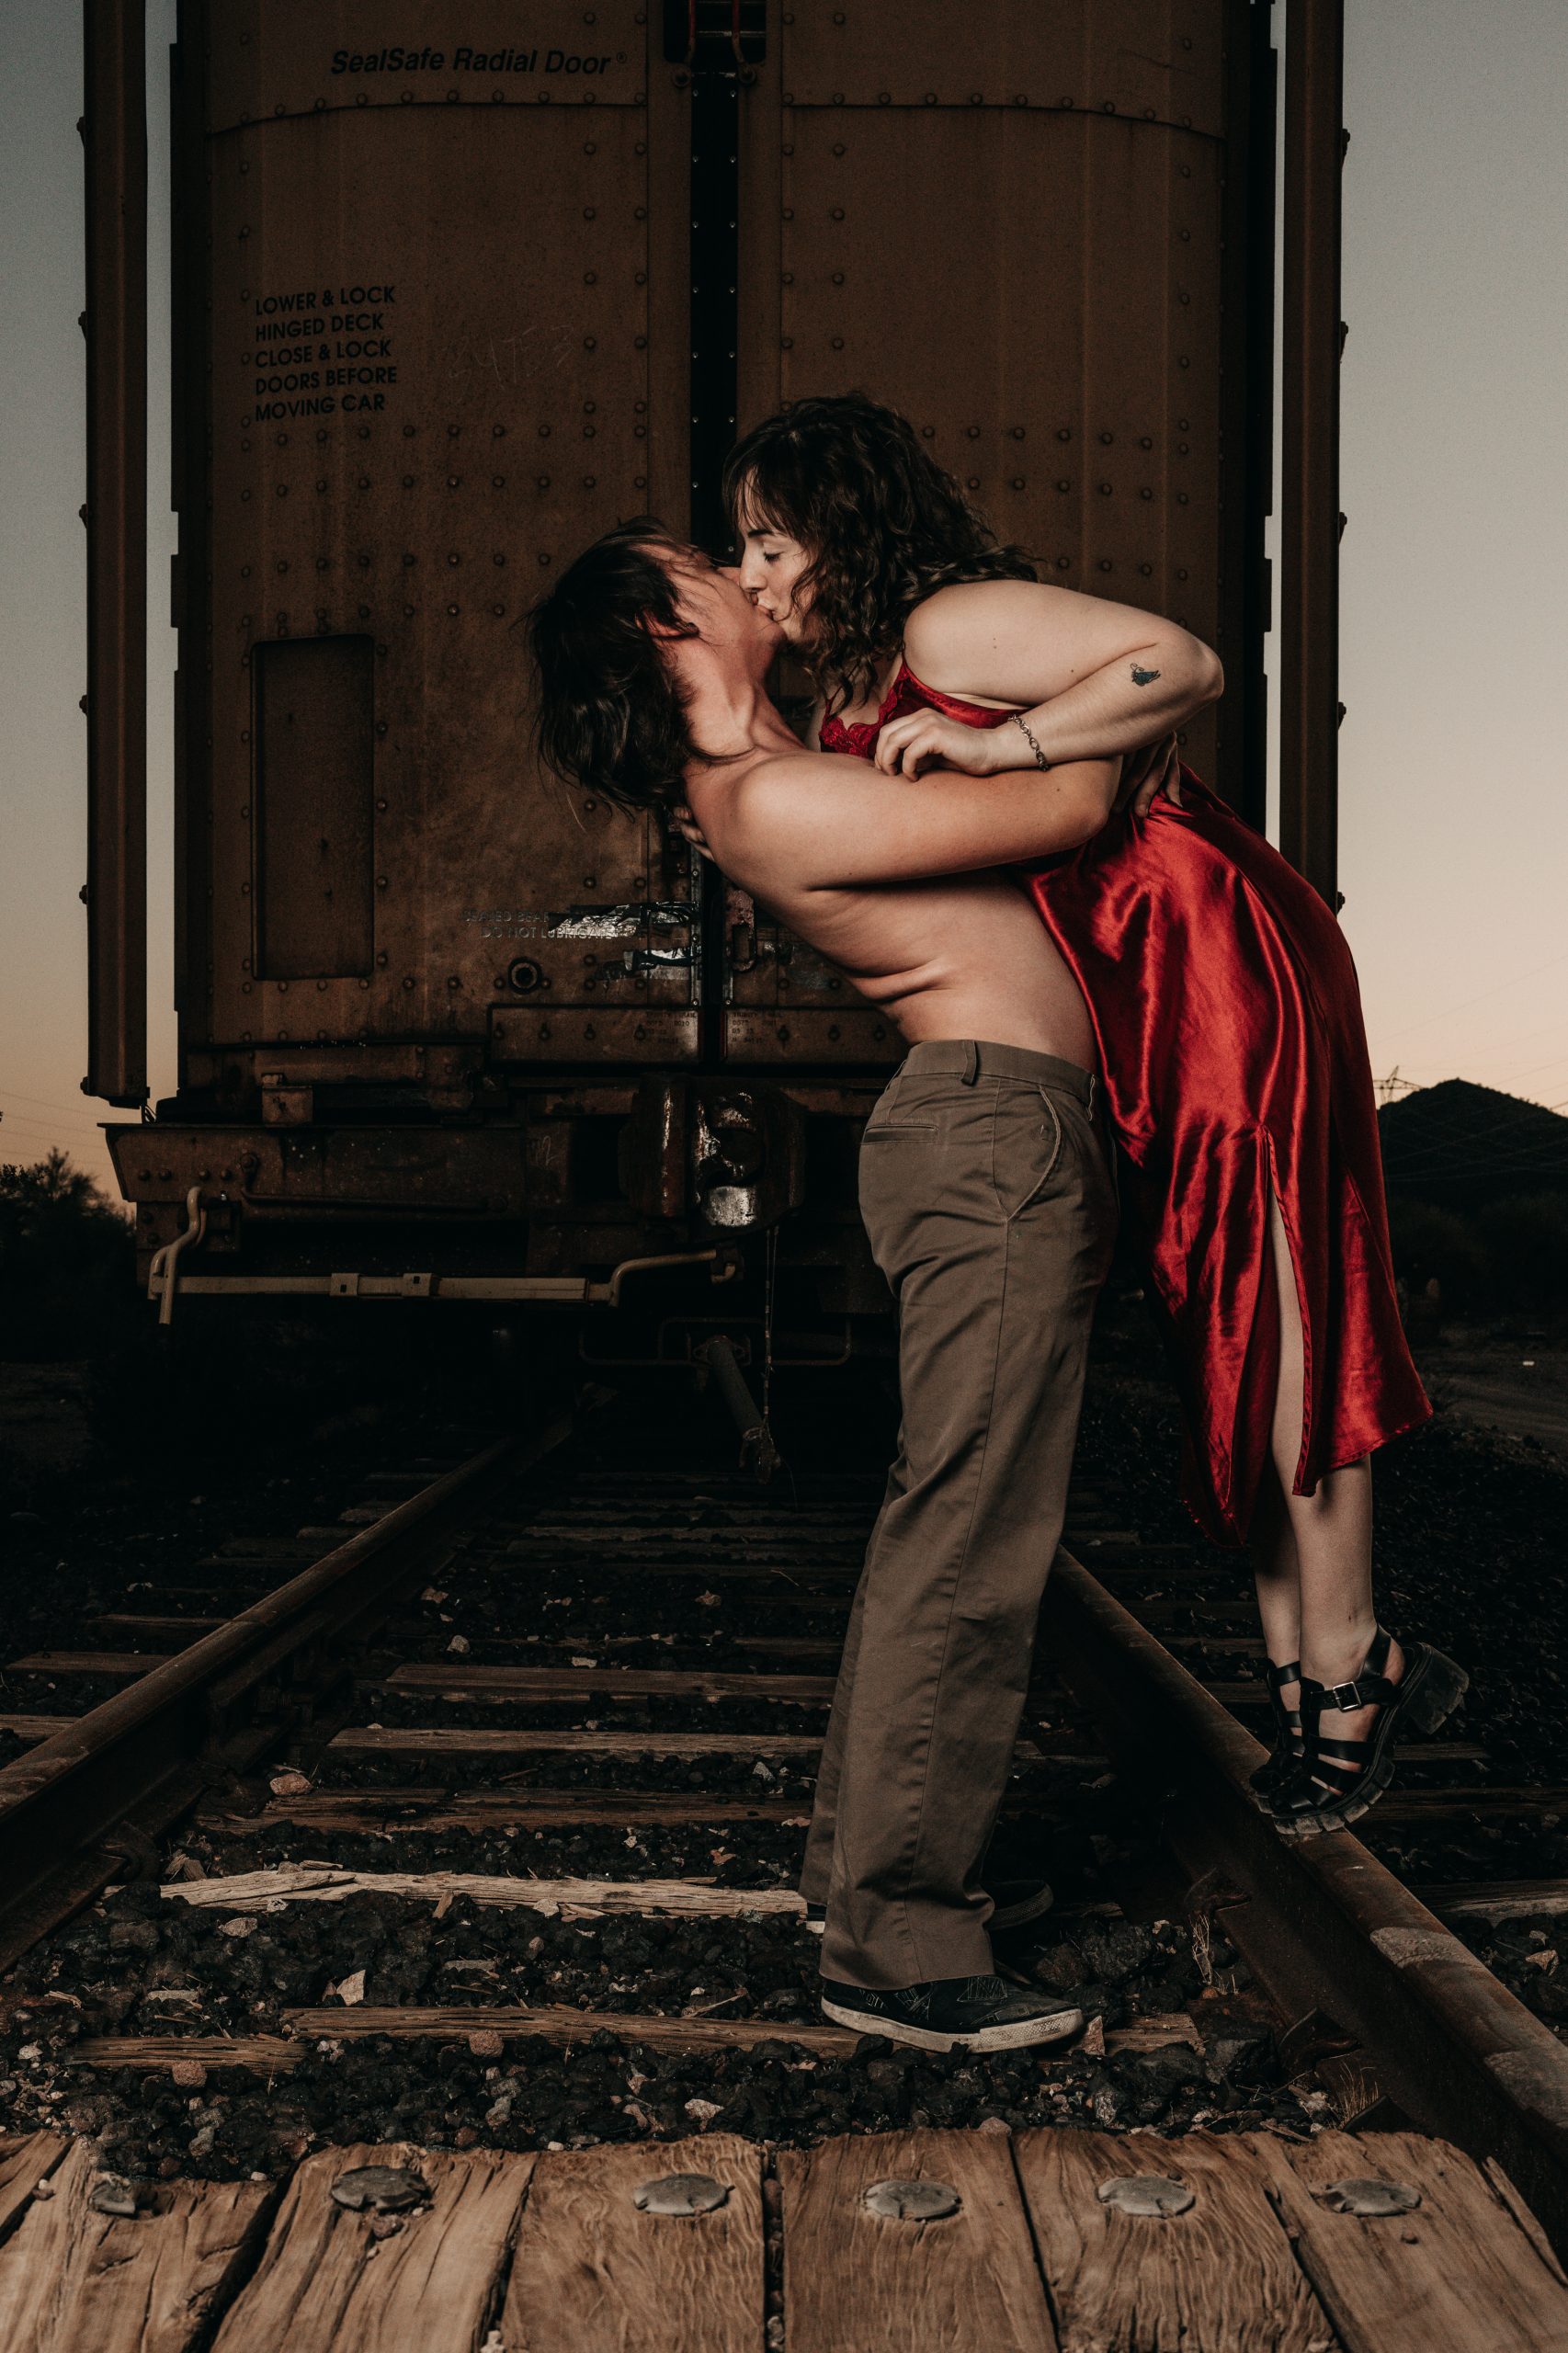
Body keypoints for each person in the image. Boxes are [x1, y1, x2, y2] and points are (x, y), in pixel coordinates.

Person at [718, 391, 1468, 1837]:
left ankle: (1349, 1667)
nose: (752, 574)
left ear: (842, 528)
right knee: (1223, 1316)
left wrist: (1004, 751)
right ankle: (1323, 1669)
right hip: (1134, 991)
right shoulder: (860, 678)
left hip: (1210, 959)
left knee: (1279, 1307)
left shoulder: (948, 626)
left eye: (766, 541)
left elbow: (1174, 661)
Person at [530, 520, 1131, 2051]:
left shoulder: (796, 763)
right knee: (973, 1526)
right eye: (702, 567)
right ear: (667, 632)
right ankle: (900, 1950)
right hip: (992, 1131)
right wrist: (1122, 689)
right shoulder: (775, 794)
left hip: (1005, 1126)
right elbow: (1072, 804)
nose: (743, 576)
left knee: (951, 1512)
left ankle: (863, 1885)